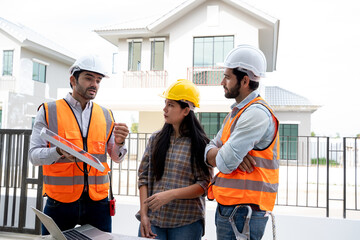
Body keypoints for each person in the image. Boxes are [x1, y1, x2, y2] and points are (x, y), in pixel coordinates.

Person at [29, 54, 129, 235]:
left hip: (98, 202)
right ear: (73, 80)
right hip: (59, 202)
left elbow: (115, 156)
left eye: (98, 80)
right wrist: (57, 151)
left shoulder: (106, 114)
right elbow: (34, 156)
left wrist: (120, 143)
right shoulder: (48, 110)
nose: (94, 84)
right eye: (88, 78)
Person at [205, 45, 280, 240]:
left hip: (244, 212)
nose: (222, 82)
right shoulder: (236, 113)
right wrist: (221, 153)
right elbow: (209, 151)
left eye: (228, 77)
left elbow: (224, 162)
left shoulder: (256, 113)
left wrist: (225, 154)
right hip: (232, 208)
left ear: (245, 80)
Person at [137, 79, 212, 240]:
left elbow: (204, 185)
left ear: (185, 110)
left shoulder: (201, 144)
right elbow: (143, 178)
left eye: (171, 105)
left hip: (187, 223)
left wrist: (171, 194)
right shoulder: (156, 139)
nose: (165, 109)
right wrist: (144, 215)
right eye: (165, 103)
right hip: (153, 220)